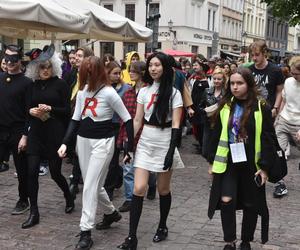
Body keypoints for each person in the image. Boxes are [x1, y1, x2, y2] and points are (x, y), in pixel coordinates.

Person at [57, 56, 134, 250]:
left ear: (98, 70)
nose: (88, 74)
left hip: (103, 142)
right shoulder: (83, 92)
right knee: (96, 185)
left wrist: (129, 147)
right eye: (86, 70)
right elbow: (75, 119)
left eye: (91, 70)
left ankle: (85, 231)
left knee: (90, 185)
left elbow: (127, 119)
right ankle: (111, 213)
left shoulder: (109, 93)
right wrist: (65, 142)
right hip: (83, 141)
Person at [117, 52, 183, 250]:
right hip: (146, 140)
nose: (153, 69)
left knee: (163, 190)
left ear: (165, 68)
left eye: (157, 65)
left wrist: (171, 151)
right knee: (138, 188)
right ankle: (131, 237)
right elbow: (137, 120)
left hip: (165, 142)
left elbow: (177, 124)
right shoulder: (144, 92)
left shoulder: (174, 93)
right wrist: (129, 147)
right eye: (151, 65)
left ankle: (162, 226)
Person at [207, 67, 276, 250]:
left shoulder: (261, 106)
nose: (235, 87)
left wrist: (265, 167)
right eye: (233, 83)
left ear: (249, 84)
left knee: (250, 204)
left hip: (252, 163)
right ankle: (230, 240)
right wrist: (212, 161)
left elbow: (269, 138)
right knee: (226, 200)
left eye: (240, 83)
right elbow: (216, 134)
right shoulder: (226, 104)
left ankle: (246, 240)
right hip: (229, 161)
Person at [21, 45, 74, 229]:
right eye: (41, 67)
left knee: (55, 172)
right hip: (36, 132)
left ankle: (68, 195)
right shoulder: (31, 86)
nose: (45, 70)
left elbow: (67, 111)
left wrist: (51, 108)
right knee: (32, 171)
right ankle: (33, 211)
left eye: (48, 66)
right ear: (36, 69)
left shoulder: (60, 84)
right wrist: (31, 111)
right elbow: (26, 110)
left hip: (54, 133)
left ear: (54, 67)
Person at [117, 61, 157, 213]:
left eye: (134, 71)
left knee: (148, 167)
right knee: (128, 168)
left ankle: (152, 183)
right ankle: (129, 199)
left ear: (141, 72)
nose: (131, 73)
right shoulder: (128, 93)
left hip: (146, 134)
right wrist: (123, 136)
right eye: (129, 70)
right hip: (130, 133)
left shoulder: (150, 91)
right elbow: (124, 117)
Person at [0, 45, 31, 214]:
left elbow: (29, 113)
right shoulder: (0, 78)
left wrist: (25, 136)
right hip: (1, 130)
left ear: (19, 61)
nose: (9, 62)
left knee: (21, 168)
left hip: (17, 131)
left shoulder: (27, 83)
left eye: (13, 59)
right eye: (7, 58)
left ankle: (23, 199)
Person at [63, 46, 94, 198]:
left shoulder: (93, 77)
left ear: (88, 58)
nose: (75, 58)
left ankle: (80, 180)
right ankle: (75, 180)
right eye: (75, 56)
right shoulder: (71, 75)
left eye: (80, 56)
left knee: (84, 151)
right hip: (73, 116)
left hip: (88, 118)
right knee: (76, 149)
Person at [103, 61, 131, 201]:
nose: (118, 75)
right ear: (107, 73)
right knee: (106, 158)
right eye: (114, 73)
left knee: (113, 158)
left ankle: (109, 188)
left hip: (118, 126)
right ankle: (118, 175)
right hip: (104, 126)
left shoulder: (126, 88)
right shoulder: (102, 87)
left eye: (119, 73)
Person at [273, 56, 300, 198]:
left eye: (297, 74)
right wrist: (278, 118)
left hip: (299, 124)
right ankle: (280, 184)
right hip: (284, 121)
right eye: (293, 73)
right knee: (277, 152)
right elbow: (284, 99)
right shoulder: (288, 81)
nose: (294, 76)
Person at [248, 40, 284, 119]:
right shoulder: (248, 70)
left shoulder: (276, 70)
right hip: (252, 110)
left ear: (264, 53)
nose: (254, 58)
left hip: (269, 111)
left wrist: (275, 108)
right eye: (252, 55)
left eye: (257, 55)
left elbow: (280, 91)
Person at [200, 68, 226, 159]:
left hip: (221, 124)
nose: (216, 81)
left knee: (218, 151)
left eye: (219, 79)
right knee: (206, 151)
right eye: (214, 78)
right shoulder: (207, 91)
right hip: (208, 124)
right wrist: (205, 111)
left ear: (223, 80)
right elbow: (200, 106)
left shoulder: (227, 93)